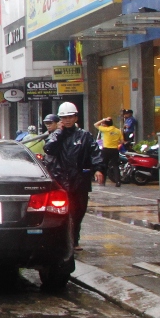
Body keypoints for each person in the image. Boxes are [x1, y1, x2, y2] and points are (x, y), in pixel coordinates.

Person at [44, 102, 104, 251]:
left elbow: (95, 153)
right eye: (64, 118)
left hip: (79, 180)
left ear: (76, 117)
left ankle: (74, 238)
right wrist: (59, 133)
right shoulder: (56, 135)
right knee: (61, 212)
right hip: (60, 180)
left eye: (70, 117)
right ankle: (63, 239)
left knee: (79, 211)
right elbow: (49, 149)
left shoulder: (85, 136)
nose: (67, 120)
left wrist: (98, 169)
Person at [94, 116, 124, 187]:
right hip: (114, 150)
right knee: (116, 166)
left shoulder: (106, 129)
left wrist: (103, 119)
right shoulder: (118, 130)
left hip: (106, 149)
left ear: (106, 124)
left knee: (104, 165)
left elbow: (95, 124)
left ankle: (103, 181)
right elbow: (122, 141)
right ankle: (118, 182)